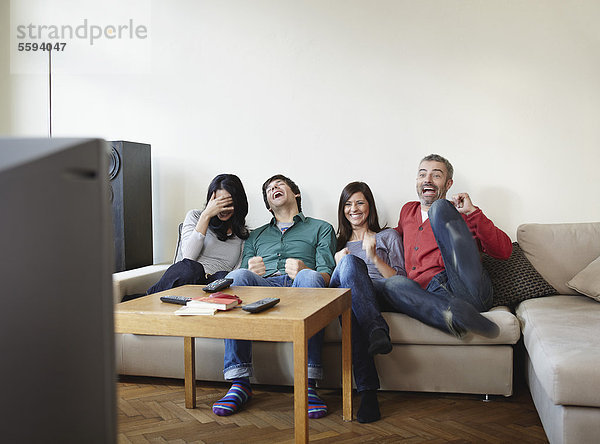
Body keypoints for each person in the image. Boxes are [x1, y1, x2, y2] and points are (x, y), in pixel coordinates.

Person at [212, 174, 336, 419]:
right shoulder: (255, 235)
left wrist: (305, 270)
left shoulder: (321, 228)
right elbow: (244, 271)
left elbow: (327, 276)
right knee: (237, 277)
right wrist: (249, 269)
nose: (274, 188)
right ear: (269, 204)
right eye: (269, 189)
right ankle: (239, 383)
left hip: (302, 287)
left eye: (280, 185)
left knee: (310, 278)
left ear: (295, 194)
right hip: (264, 287)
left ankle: (308, 384)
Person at [382, 154, 512, 340]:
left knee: (440, 208)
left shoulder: (458, 214)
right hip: (430, 295)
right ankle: (456, 318)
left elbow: (505, 251)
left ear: (449, 183)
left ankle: (462, 311)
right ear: (417, 180)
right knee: (393, 284)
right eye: (422, 174)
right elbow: (393, 237)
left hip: (464, 287)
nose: (427, 179)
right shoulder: (407, 211)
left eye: (436, 175)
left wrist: (473, 213)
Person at [329, 181, 406, 424]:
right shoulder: (338, 243)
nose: (354, 209)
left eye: (360, 202)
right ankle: (376, 329)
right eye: (348, 204)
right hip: (344, 294)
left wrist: (373, 257)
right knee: (349, 268)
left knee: (351, 307)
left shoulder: (388, 236)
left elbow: (401, 282)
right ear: (342, 209)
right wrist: (338, 262)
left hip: (378, 294)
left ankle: (368, 393)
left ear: (369, 206)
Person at [143, 174, 250, 296]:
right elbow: (188, 257)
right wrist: (206, 216)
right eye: (217, 203)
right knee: (193, 268)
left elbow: (236, 273)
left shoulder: (243, 236)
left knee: (223, 276)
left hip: (212, 286)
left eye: (227, 203)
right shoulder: (196, 217)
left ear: (238, 203)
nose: (222, 209)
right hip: (186, 278)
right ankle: (149, 298)